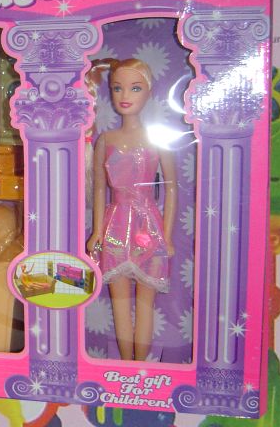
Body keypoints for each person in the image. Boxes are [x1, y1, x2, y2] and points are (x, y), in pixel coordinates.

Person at [85, 58, 177, 361]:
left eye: (135, 88)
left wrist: (166, 236)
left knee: (146, 304)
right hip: (114, 225)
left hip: (147, 225)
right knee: (120, 303)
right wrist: (97, 231)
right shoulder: (106, 140)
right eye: (117, 88)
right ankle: (127, 367)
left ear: (149, 91)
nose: (125, 96)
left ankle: (141, 368)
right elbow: (100, 188)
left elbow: (172, 188)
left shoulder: (157, 139)